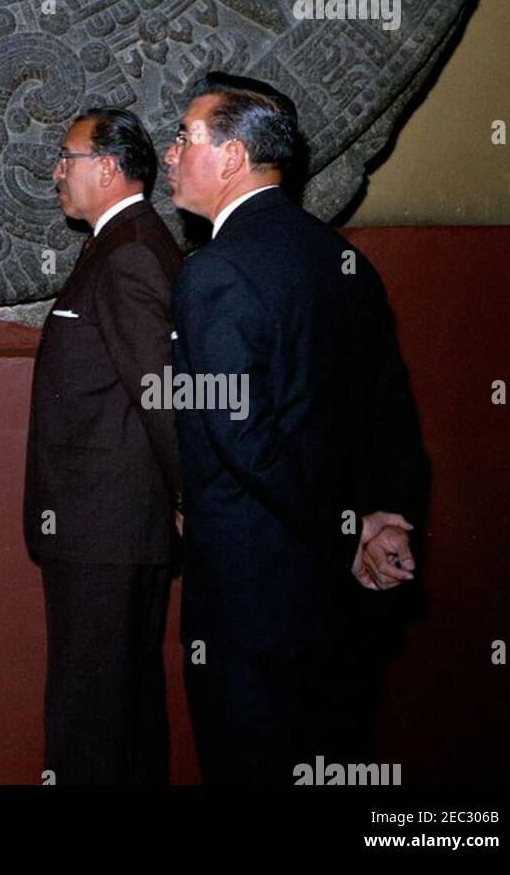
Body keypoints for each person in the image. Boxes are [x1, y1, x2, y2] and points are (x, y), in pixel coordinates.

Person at [164, 73, 428, 784]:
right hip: (335, 601)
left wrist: (347, 531)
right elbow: (389, 406)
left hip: (254, 592)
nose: (169, 154)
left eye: (185, 137)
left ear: (231, 157)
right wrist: (388, 520)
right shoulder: (343, 260)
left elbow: (244, 439)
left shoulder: (214, 273)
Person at [23, 108, 182, 784]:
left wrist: (189, 494)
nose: (57, 172)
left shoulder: (131, 253)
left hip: (106, 532)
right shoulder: (122, 244)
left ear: (109, 169)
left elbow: (164, 394)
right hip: (110, 529)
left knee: (92, 721)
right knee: (122, 710)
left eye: (68, 158)